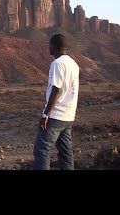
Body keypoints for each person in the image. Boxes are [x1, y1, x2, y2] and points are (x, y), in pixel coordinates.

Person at [33, 33, 80, 170]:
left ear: (54, 46)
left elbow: (56, 90)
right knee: (65, 152)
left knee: (42, 150)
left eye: (49, 44)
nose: (48, 47)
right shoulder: (73, 64)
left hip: (55, 116)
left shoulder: (57, 63)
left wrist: (45, 114)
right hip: (68, 116)